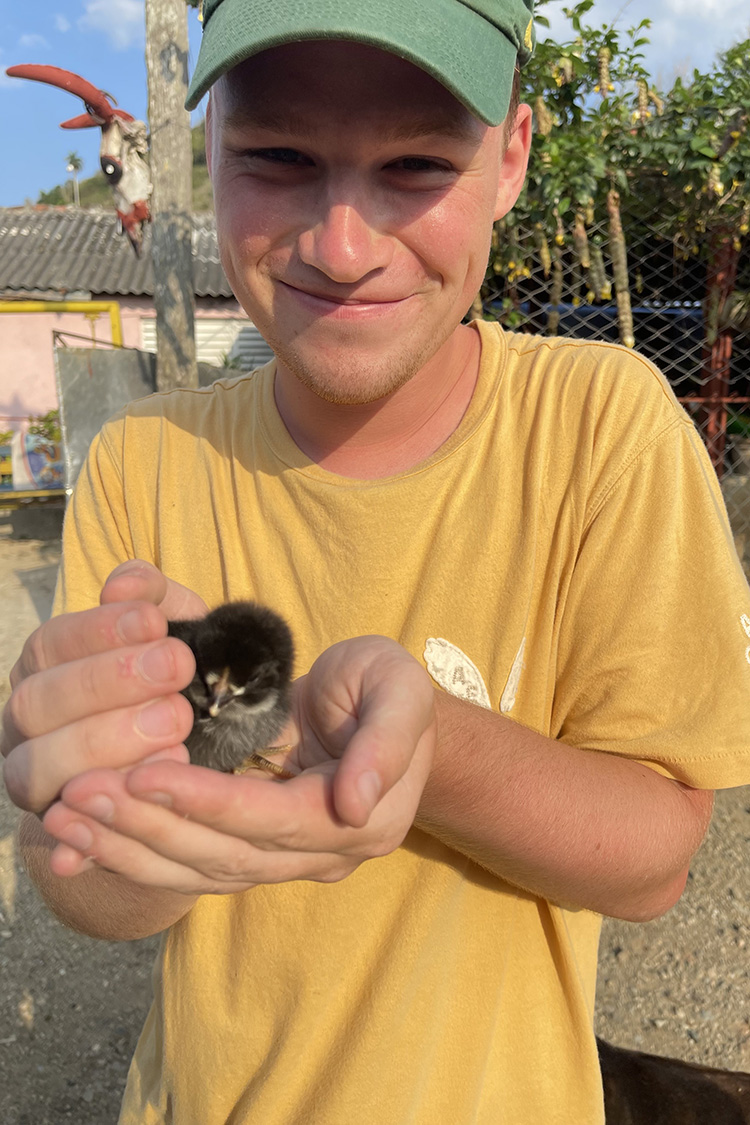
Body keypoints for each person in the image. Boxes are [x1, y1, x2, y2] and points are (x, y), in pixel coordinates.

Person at [3, 2, 750, 1121]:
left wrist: (430, 745)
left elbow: (655, 862)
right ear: (210, 145)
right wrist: (99, 806)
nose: (342, 248)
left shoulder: (604, 430)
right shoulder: (141, 464)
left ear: (511, 158)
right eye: (278, 156)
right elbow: (98, 900)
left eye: (417, 164)